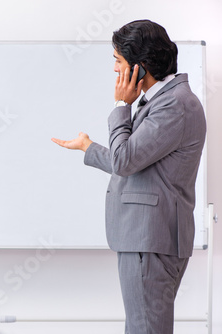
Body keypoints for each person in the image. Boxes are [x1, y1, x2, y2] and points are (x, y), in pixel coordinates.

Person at [52, 20, 206, 334]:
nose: (114, 70)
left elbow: (124, 161)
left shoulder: (174, 106)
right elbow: (134, 160)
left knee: (144, 329)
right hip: (148, 236)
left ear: (139, 67)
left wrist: (122, 105)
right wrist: (89, 148)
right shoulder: (167, 101)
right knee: (143, 327)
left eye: (118, 61)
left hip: (150, 237)